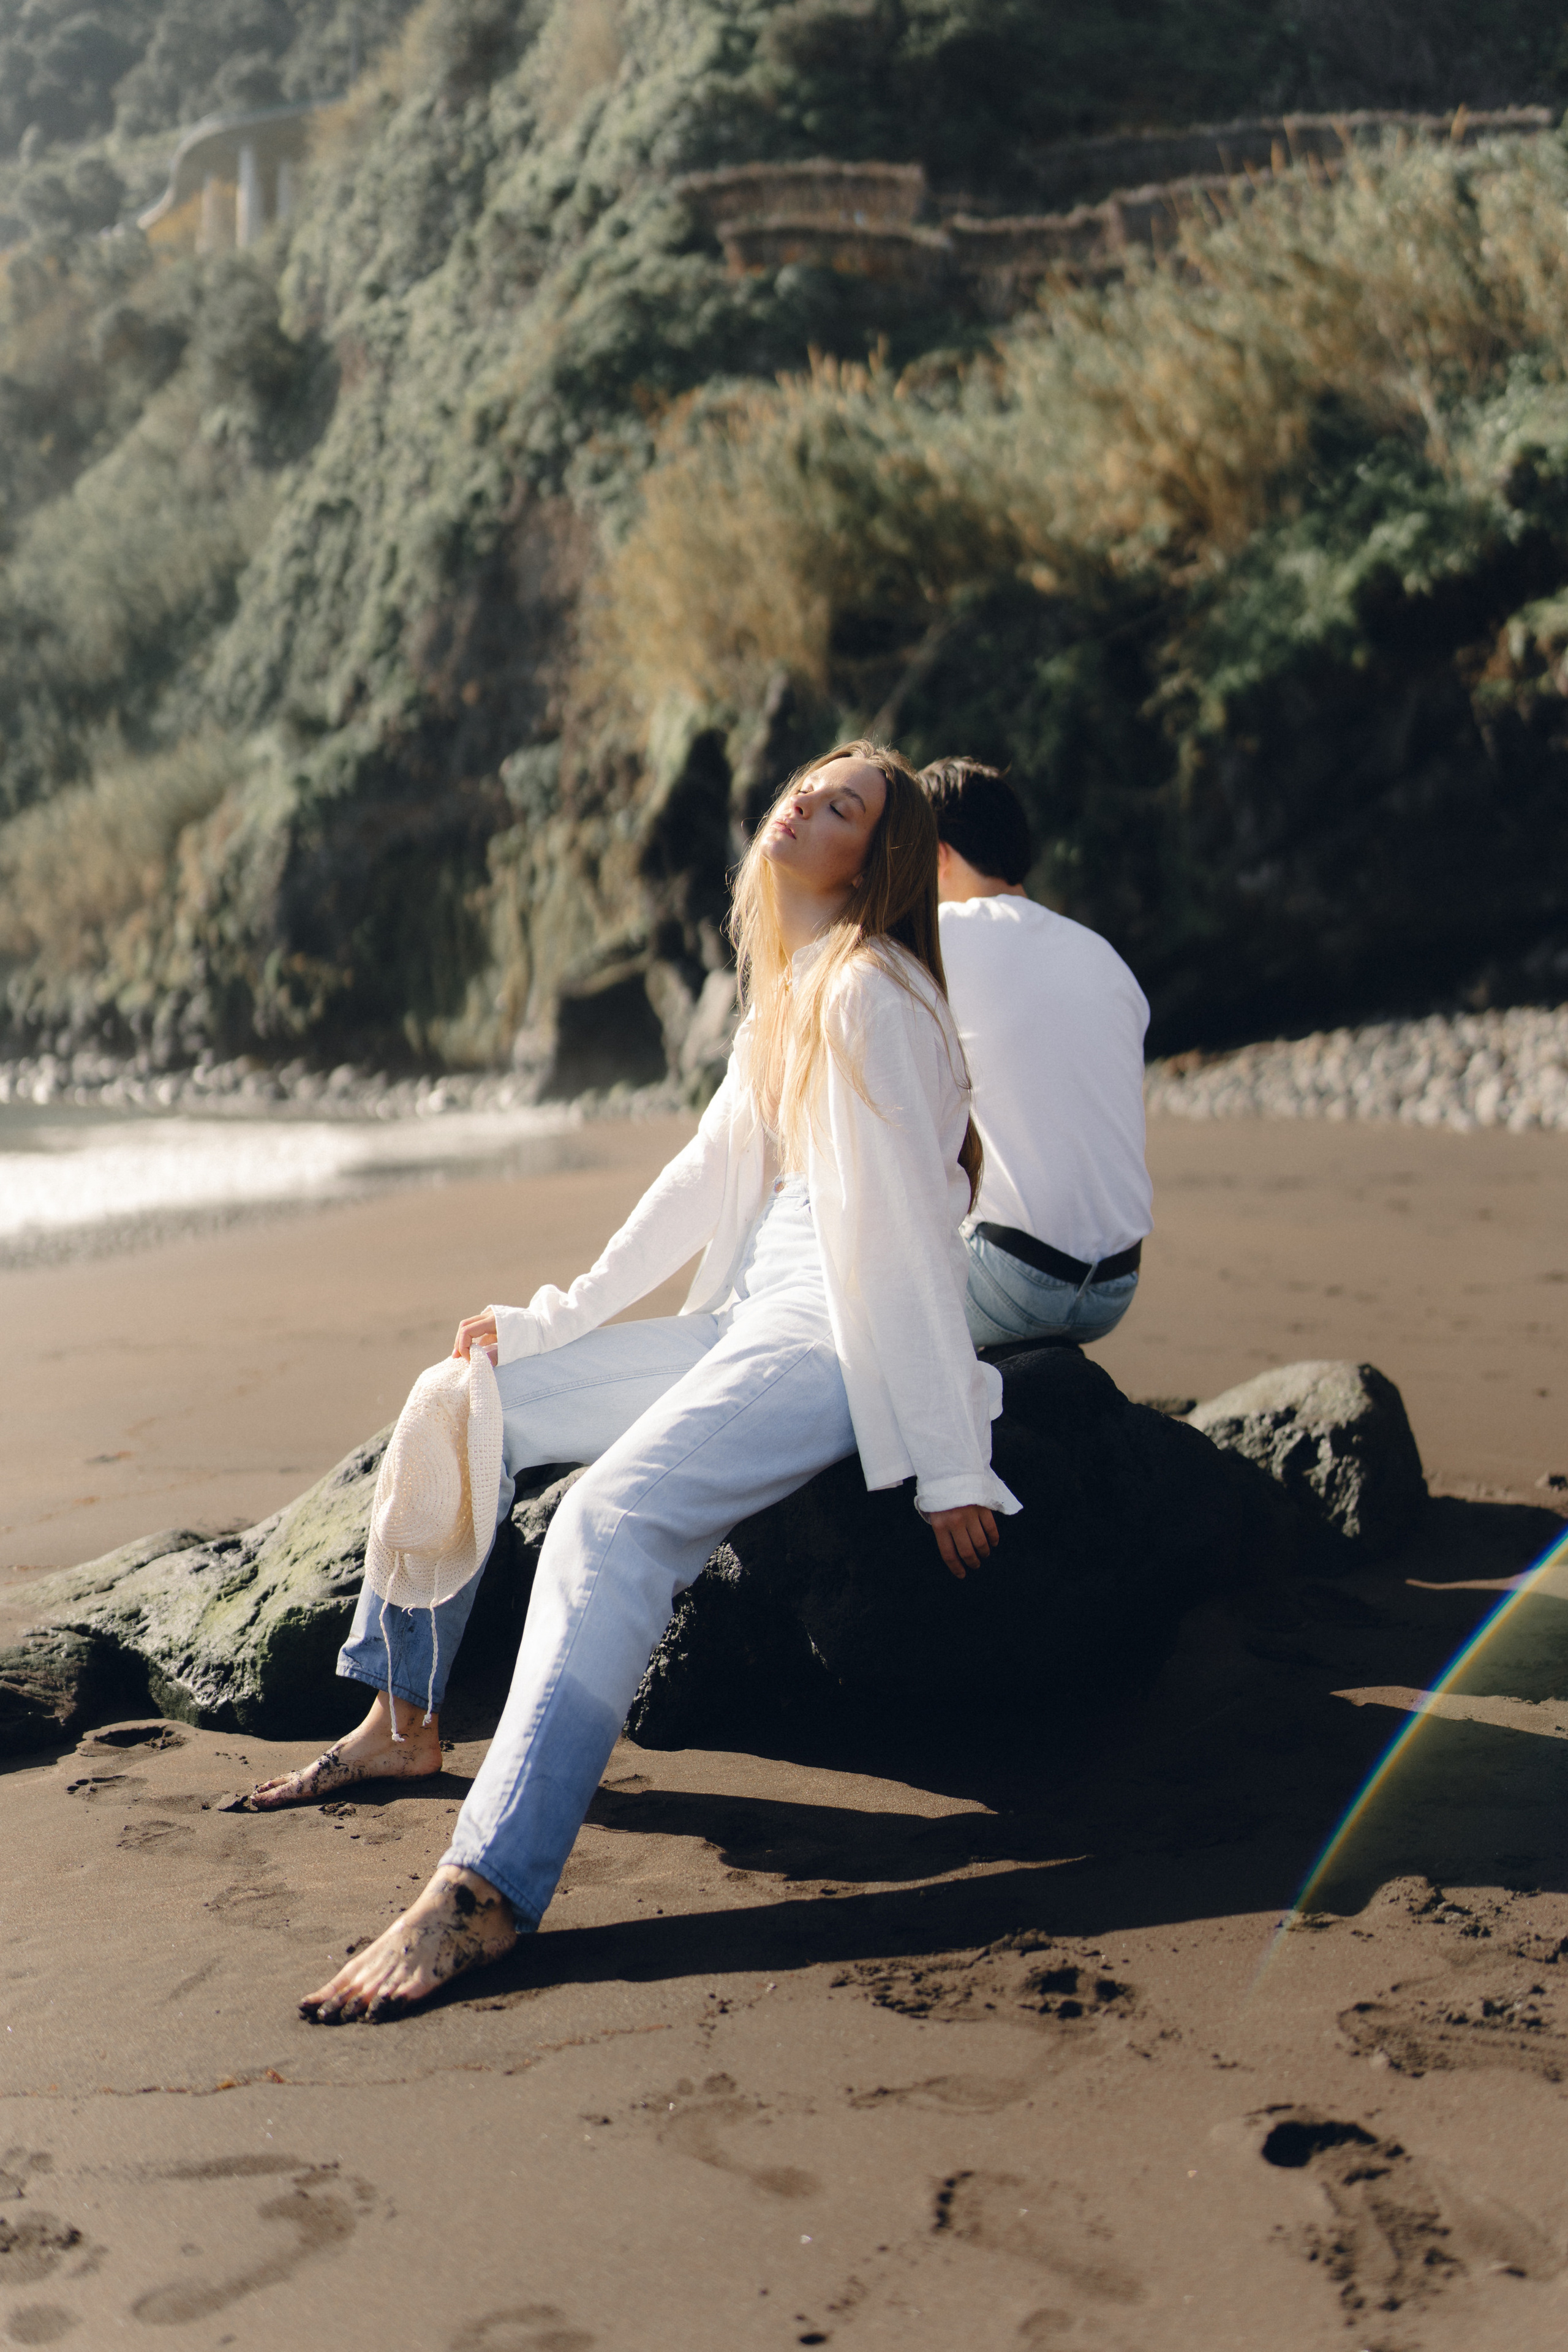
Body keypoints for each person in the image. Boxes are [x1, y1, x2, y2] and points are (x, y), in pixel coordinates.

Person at [251, 739, 1021, 2021]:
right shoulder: (789, 993)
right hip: (740, 1323)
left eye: (842, 807)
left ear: (874, 862)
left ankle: (488, 1886)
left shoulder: (870, 993)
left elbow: (905, 1239)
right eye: (807, 787)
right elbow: (693, 1190)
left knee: (611, 1520)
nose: (803, 805)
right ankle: (403, 1720)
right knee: (464, 1397)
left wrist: (950, 1461)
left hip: (831, 1340)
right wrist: (544, 1325)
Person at [919, 758, 1153, 1351]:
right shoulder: (1102, 956)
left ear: (938, 855)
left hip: (1010, 1283)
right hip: (1116, 1286)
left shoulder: (942, 935)